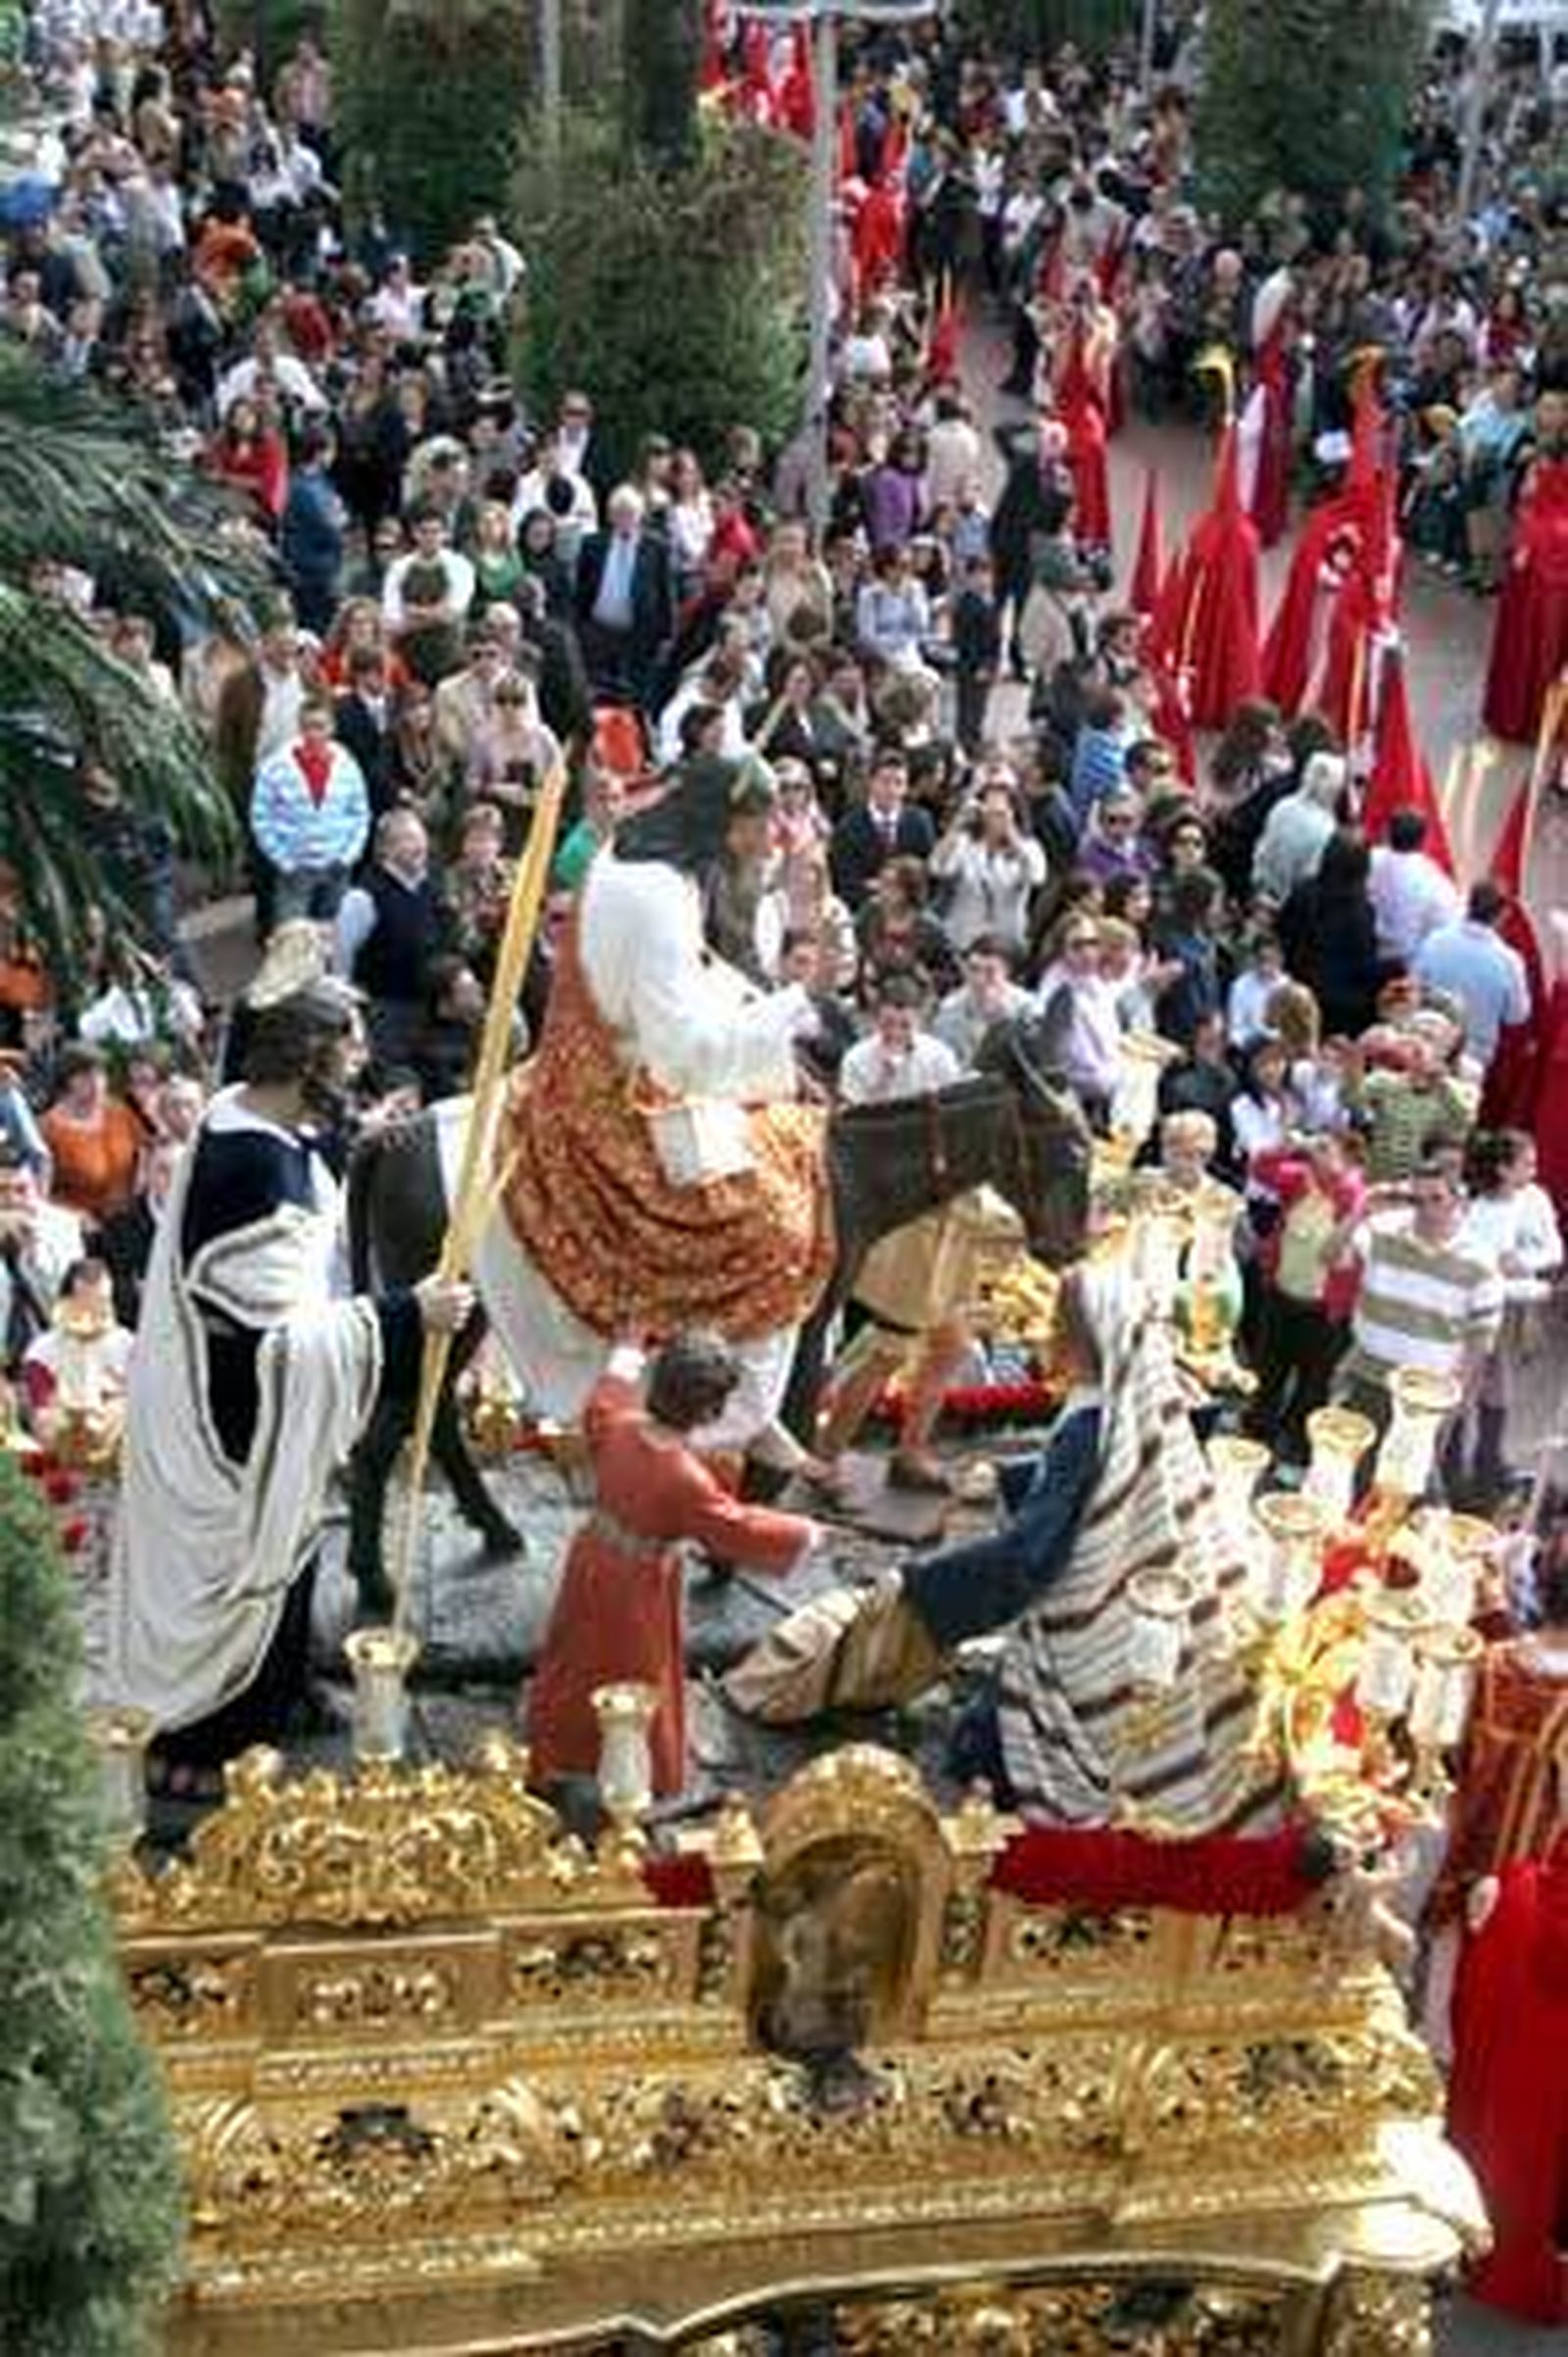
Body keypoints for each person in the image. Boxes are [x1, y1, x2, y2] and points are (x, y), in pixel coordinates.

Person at [730, 1259, 1283, 1835]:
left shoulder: (1088, 1424)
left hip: (1095, 1626)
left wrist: (930, 1585)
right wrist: (1008, 1477)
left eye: (1057, 1326)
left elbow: (1029, 1557)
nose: (1046, 1334)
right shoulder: (1122, 1406)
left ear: (1082, 1341)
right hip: (1133, 1595)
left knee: (982, 1748)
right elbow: (1096, 1484)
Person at [108, 977, 472, 1778]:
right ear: (308, 1055)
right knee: (259, 1548)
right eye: (349, 1044)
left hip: (265, 1404)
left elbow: (309, 1163)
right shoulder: (251, 1173)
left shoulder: (244, 1110)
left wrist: (366, 1135)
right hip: (236, 1416)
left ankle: (286, 1683)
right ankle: (210, 1736)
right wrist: (409, 1314)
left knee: (299, 1531)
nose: (362, 1058)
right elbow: (277, 1345)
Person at [488, 756, 833, 1459]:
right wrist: (797, 1003)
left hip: (614, 1042)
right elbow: (685, 1059)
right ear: (720, 823)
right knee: (776, 1223)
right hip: (609, 1097)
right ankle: (729, 1414)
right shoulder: (661, 896)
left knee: (784, 1122)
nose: (771, 836)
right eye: (758, 824)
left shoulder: (635, 846)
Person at [527, 1335, 819, 1799]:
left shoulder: (619, 1427)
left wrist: (627, 1350)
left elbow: (604, 1399)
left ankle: (554, 1749)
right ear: (709, 1412)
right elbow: (735, 1526)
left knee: (573, 1656)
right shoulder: (684, 1477)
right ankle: (633, 1769)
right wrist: (806, 1533)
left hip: (592, 1558)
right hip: (638, 1584)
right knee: (637, 1672)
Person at [1331, 1156, 1504, 1445]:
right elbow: (1330, 1258)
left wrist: (1456, 1396)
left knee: (1402, 1485)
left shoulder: (1481, 1262)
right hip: (1365, 1378)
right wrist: (1359, 1209)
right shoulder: (1382, 1230)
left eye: (1435, 1199)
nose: (1426, 1210)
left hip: (1424, 1397)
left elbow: (1480, 1341)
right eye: (1417, 1200)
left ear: (1458, 1199)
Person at [250, 692, 372, 923]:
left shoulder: (347, 765)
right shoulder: (276, 767)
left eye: (319, 727)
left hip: (337, 867)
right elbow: (261, 817)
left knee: (333, 935)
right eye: (307, 727)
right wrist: (283, 859)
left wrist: (348, 855)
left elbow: (361, 813)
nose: (313, 734)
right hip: (295, 869)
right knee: (292, 938)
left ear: (332, 728)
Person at [1415, 881, 1532, 1076]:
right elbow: (1517, 1016)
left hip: (1428, 1040)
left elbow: (1415, 986)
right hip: (1474, 1055)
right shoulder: (1509, 961)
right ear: (1502, 915)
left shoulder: (1435, 941)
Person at [1368, 808, 1460, 967]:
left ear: (1387, 834)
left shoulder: (1368, 860)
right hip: (1405, 967)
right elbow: (1449, 924)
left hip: (1364, 953)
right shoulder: (1435, 882)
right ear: (1424, 841)